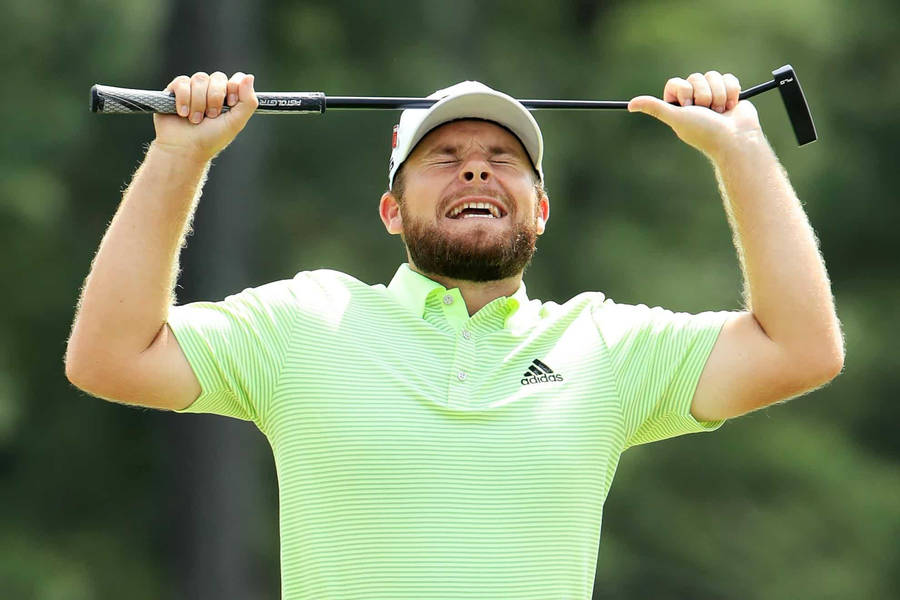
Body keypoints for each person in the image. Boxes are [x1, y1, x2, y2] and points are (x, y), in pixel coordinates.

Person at [65, 69, 844, 599]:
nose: (476, 171)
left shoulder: (606, 344)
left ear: (539, 212)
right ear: (392, 212)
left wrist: (739, 146)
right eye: (444, 158)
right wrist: (179, 154)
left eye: (503, 159)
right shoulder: (302, 321)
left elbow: (800, 348)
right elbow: (110, 357)